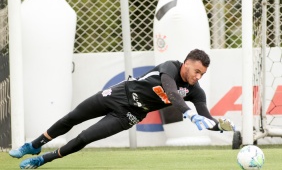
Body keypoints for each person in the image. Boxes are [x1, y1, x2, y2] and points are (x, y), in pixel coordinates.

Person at [9, 49, 235, 169]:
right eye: (196, 71)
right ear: (186, 63)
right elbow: (171, 90)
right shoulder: (170, 68)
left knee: (85, 137)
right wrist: (188, 113)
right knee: (73, 117)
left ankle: (43, 160)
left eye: (202, 74)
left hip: (130, 114)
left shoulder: (196, 92)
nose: (198, 77)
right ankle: (34, 145)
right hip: (119, 93)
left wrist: (220, 126)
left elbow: (206, 119)